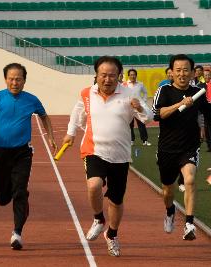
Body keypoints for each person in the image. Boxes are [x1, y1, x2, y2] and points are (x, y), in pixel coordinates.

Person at [62, 56, 153, 257]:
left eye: (112, 75)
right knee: (93, 185)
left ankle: (111, 234)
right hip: (94, 150)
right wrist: (71, 132)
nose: (107, 79)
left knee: (116, 200)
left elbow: (148, 117)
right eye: (103, 75)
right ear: (97, 75)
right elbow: (77, 113)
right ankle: (98, 219)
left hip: (120, 155)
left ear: (119, 76)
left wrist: (139, 107)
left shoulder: (129, 94)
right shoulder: (87, 93)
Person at [0, 63, 57, 250]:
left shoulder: (31, 100)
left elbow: (44, 116)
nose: (15, 82)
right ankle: (9, 197)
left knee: (20, 191)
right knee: (3, 198)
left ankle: (17, 232)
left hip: (22, 152)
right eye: (11, 79)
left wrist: (51, 137)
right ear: (5, 79)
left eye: (18, 79)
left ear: (24, 80)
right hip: (0, 152)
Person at [152, 54, 211, 241]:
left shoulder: (198, 92)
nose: (182, 74)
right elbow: (159, 114)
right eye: (178, 70)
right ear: (171, 72)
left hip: (190, 147)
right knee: (168, 191)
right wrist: (182, 103)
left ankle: (189, 223)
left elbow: (209, 113)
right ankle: (170, 211)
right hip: (167, 149)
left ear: (193, 73)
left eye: (186, 70)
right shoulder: (164, 91)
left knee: (190, 180)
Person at [123, 68, 151, 146]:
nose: (133, 76)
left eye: (134, 75)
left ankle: (144, 140)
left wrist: (143, 100)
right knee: (130, 125)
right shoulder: (125, 84)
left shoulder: (140, 84)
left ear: (136, 75)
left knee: (141, 123)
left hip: (139, 107)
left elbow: (145, 92)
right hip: (129, 107)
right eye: (131, 75)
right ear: (128, 76)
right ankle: (131, 140)